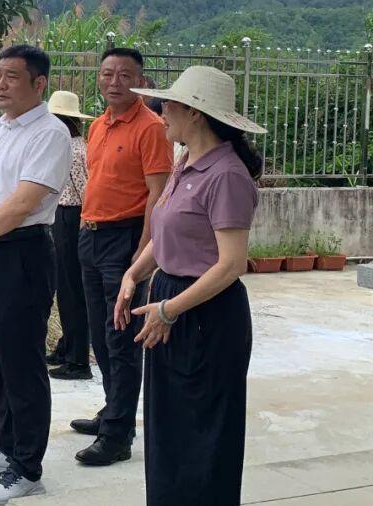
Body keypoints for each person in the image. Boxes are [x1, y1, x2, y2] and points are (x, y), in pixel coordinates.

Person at [115, 66, 265, 505]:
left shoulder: (226, 175)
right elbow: (166, 236)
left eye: (169, 105)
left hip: (206, 314)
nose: (161, 112)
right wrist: (133, 274)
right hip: (172, 304)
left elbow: (231, 264)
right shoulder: (185, 163)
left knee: (203, 435)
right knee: (169, 429)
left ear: (195, 113)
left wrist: (170, 309)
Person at [0, 45, 72, 503]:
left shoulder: (50, 133)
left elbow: (25, 201)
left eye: (11, 76)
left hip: (22, 253)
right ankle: (6, 444)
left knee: (23, 360)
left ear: (38, 83)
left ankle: (27, 465)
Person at [73, 47, 172, 467]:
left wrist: (140, 255)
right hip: (91, 235)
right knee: (100, 334)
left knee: (122, 339)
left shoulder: (151, 128)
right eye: (107, 73)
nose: (114, 82)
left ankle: (117, 436)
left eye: (124, 75)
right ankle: (113, 410)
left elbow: (157, 195)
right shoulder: (98, 125)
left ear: (140, 81)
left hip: (125, 240)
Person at [44, 91, 94, 382]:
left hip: (72, 218)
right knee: (67, 287)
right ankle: (68, 347)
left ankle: (77, 359)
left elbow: (86, 191)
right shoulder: (76, 145)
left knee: (70, 289)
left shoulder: (72, 149)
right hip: (67, 216)